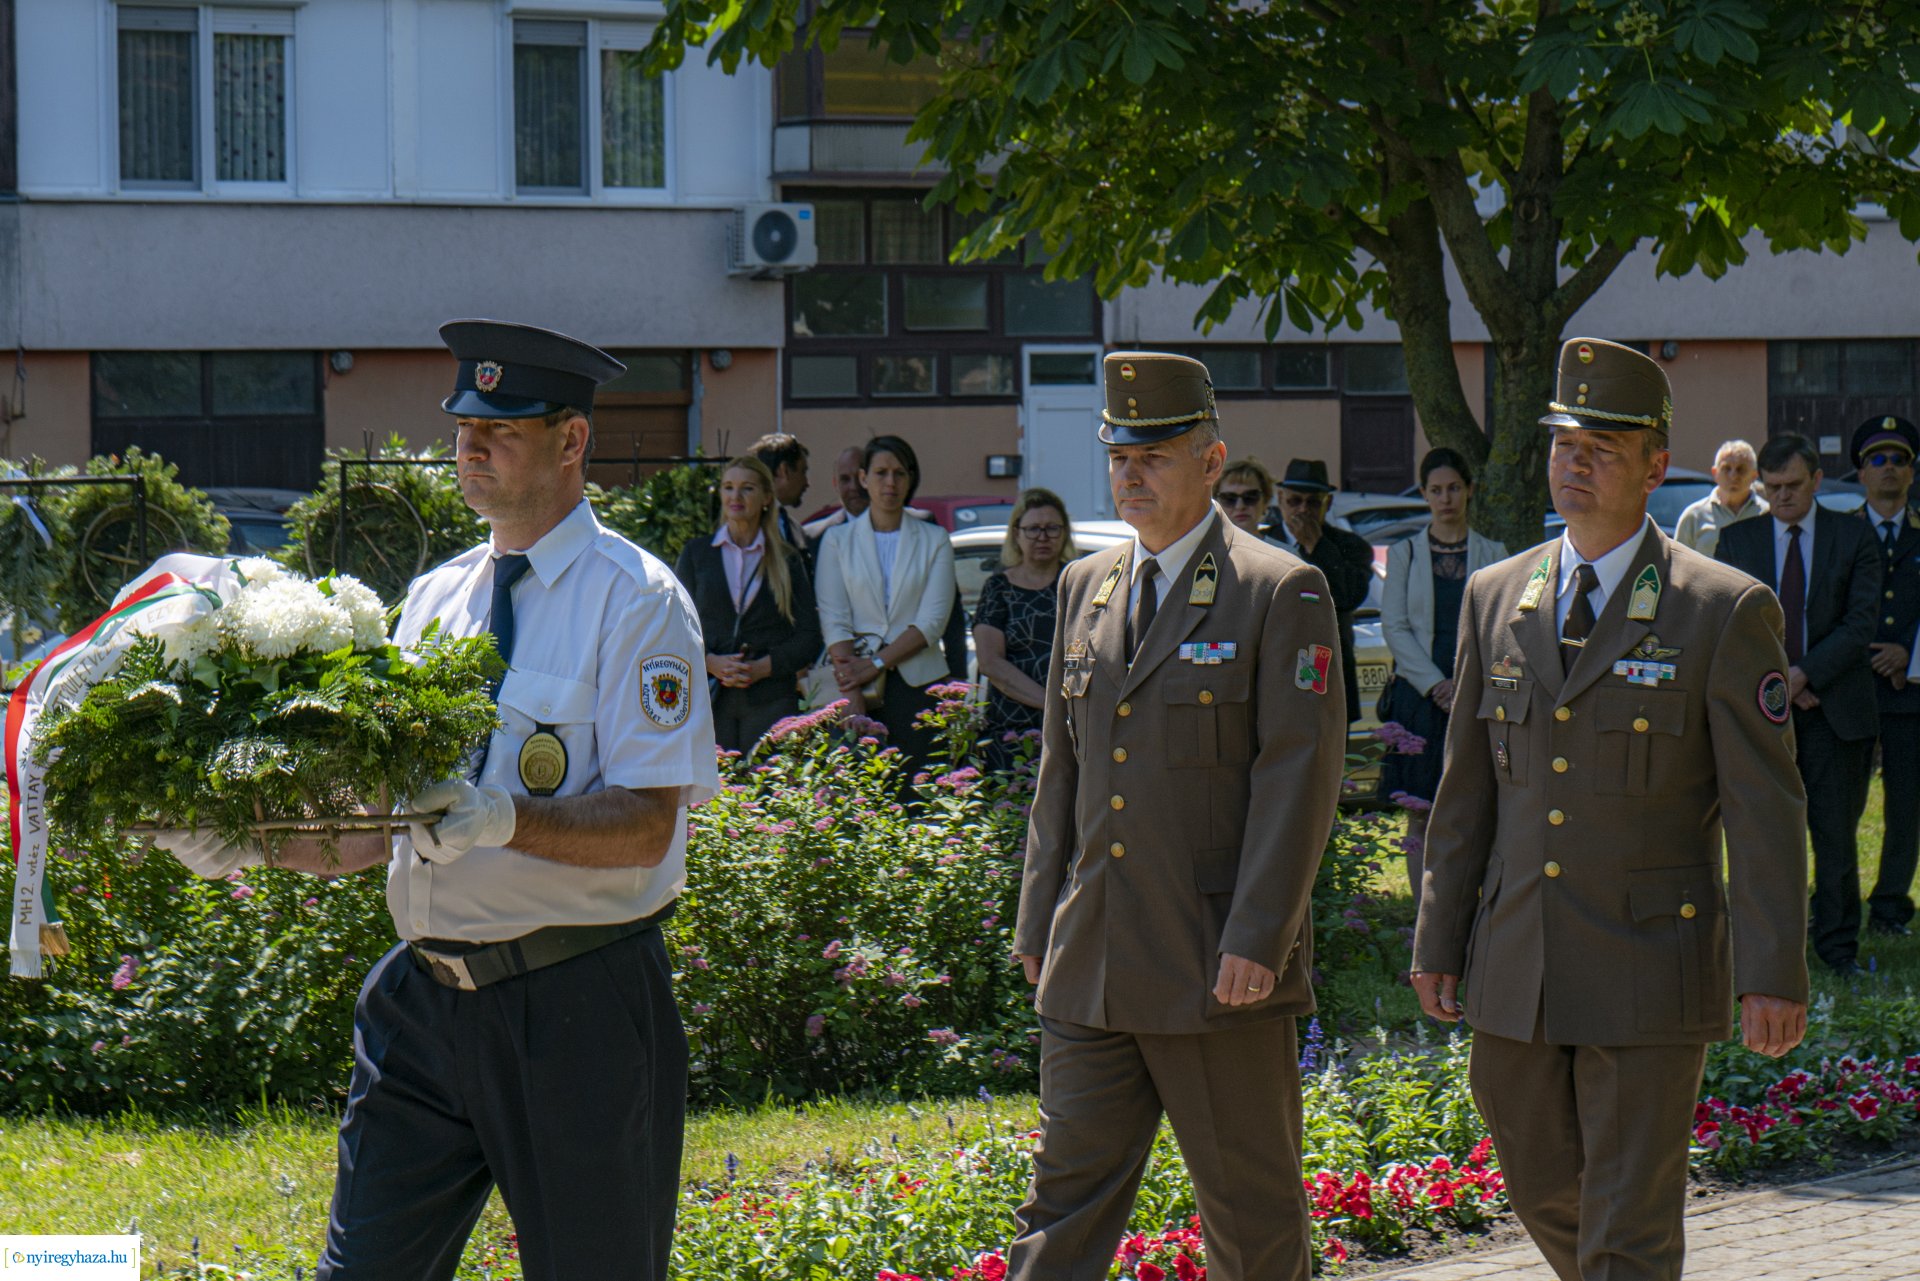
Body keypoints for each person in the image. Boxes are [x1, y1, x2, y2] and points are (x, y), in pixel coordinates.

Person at [159, 320, 720, 1280]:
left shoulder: (637, 601)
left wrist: (507, 817)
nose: (470, 445)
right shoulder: (436, 598)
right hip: (424, 1006)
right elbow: (382, 822)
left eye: (501, 427)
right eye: (463, 424)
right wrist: (246, 840)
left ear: (572, 440)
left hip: (575, 1004)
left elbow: (647, 824)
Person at [1413, 336, 1810, 1281]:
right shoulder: (1495, 595)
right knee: (1544, 1187)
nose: (1576, 462)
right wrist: (1439, 936)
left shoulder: (1720, 607)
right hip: (1517, 959)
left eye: (1601, 445)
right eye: (1563, 444)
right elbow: (1465, 787)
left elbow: (1764, 809)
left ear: (1654, 462)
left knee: (1627, 1231)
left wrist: (1772, 969)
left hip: (1648, 964)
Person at [1010, 352, 1347, 1281]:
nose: (1130, 472)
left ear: (1211, 460)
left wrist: (1260, 934)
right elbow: (1062, 769)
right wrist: (1038, 918)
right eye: (1119, 454)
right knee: (1059, 1212)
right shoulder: (1089, 585)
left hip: (1217, 967)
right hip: (1095, 957)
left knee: (1253, 1221)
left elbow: (1299, 775)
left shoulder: (1277, 588)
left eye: (1154, 455)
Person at [1716, 434, 1881, 975]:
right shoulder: (1738, 542)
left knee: (1835, 840)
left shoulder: (1854, 536)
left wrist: (1803, 674)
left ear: (1815, 479)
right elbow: (1730, 629)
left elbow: (1860, 624)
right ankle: (1769, 954)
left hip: (1835, 713)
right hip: (1765, 716)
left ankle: (1838, 951)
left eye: (1793, 485)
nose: (1783, 496)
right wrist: (1781, 683)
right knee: (1766, 842)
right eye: (1773, 486)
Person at [1378, 448, 1506, 891]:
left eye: (1454, 488)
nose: (1446, 498)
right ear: (1426, 495)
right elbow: (1394, 626)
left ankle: (1467, 906)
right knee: (1420, 809)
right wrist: (1437, 685)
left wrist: (1464, 686)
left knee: (1473, 804)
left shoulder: (1494, 553)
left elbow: (1498, 627)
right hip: (1419, 698)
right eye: (1436, 490)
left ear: (1469, 491)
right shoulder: (1405, 554)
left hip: (1475, 695)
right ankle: (1420, 916)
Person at [814, 435, 957, 766]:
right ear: (864, 478)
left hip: (919, 683)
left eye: (899, 473)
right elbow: (834, 619)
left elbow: (932, 623)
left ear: (910, 479)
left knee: (920, 792)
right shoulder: (837, 540)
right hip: (856, 685)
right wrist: (852, 690)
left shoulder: (935, 539)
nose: (890, 482)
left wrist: (876, 664)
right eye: (881, 473)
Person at [674, 455, 823, 755]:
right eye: (728, 487)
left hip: (770, 701)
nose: (735, 496)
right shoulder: (697, 554)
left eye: (747, 488)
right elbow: (673, 627)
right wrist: (710, 662)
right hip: (711, 699)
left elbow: (809, 637)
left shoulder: (788, 560)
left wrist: (763, 668)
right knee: (714, 796)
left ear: (767, 497)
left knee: (769, 792)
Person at [1856, 415, 1920, 937]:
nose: (1890, 469)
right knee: (1839, 805)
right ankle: (1831, 898)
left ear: (1912, 473)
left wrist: (1909, 653)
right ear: (1861, 473)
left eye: (1900, 459)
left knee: (1906, 805)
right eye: (1878, 459)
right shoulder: (1842, 534)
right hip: (1849, 689)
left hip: (1909, 691)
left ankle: (1891, 907)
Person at [973, 487, 1076, 771]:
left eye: (1052, 528)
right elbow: (990, 662)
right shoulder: (998, 588)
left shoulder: (1079, 582)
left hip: (1072, 730)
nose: (1042, 537)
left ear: (1064, 533)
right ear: (1016, 534)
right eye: (1033, 529)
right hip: (1011, 733)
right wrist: (1051, 705)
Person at [1267, 458, 1374, 723]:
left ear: (1328, 503)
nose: (1303, 510)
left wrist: (1317, 545)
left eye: (1313, 502)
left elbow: (1349, 596)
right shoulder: (1261, 543)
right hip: (1275, 671)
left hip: (1330, 674)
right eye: (1295, 501)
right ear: (1281, 499)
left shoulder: (1351, 546)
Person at [1674, 439, 1768, 556]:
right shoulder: (1694, 516)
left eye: (1741, 469)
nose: (1733, 476)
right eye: (1726, 468)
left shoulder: (1767, 514)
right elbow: (1678, 564)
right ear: (1715, 473)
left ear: (1754, 475)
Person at [751, 432, 812, 565]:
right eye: (803, 472)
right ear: (784, 471)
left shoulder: (794, 528)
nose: (807, 483)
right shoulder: (748, 525)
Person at [802, 445, 869, 542]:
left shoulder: (895, 529)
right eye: (845, 479)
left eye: (860, 477)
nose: (854, 486)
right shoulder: (813, 537)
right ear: (835, 484)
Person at [1213, 456, 1277, 541]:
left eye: (1250, 497)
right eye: (1229, 498)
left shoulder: (1286, 553)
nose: (1240, 506)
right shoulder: (1202, 552)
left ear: (1265, 500)